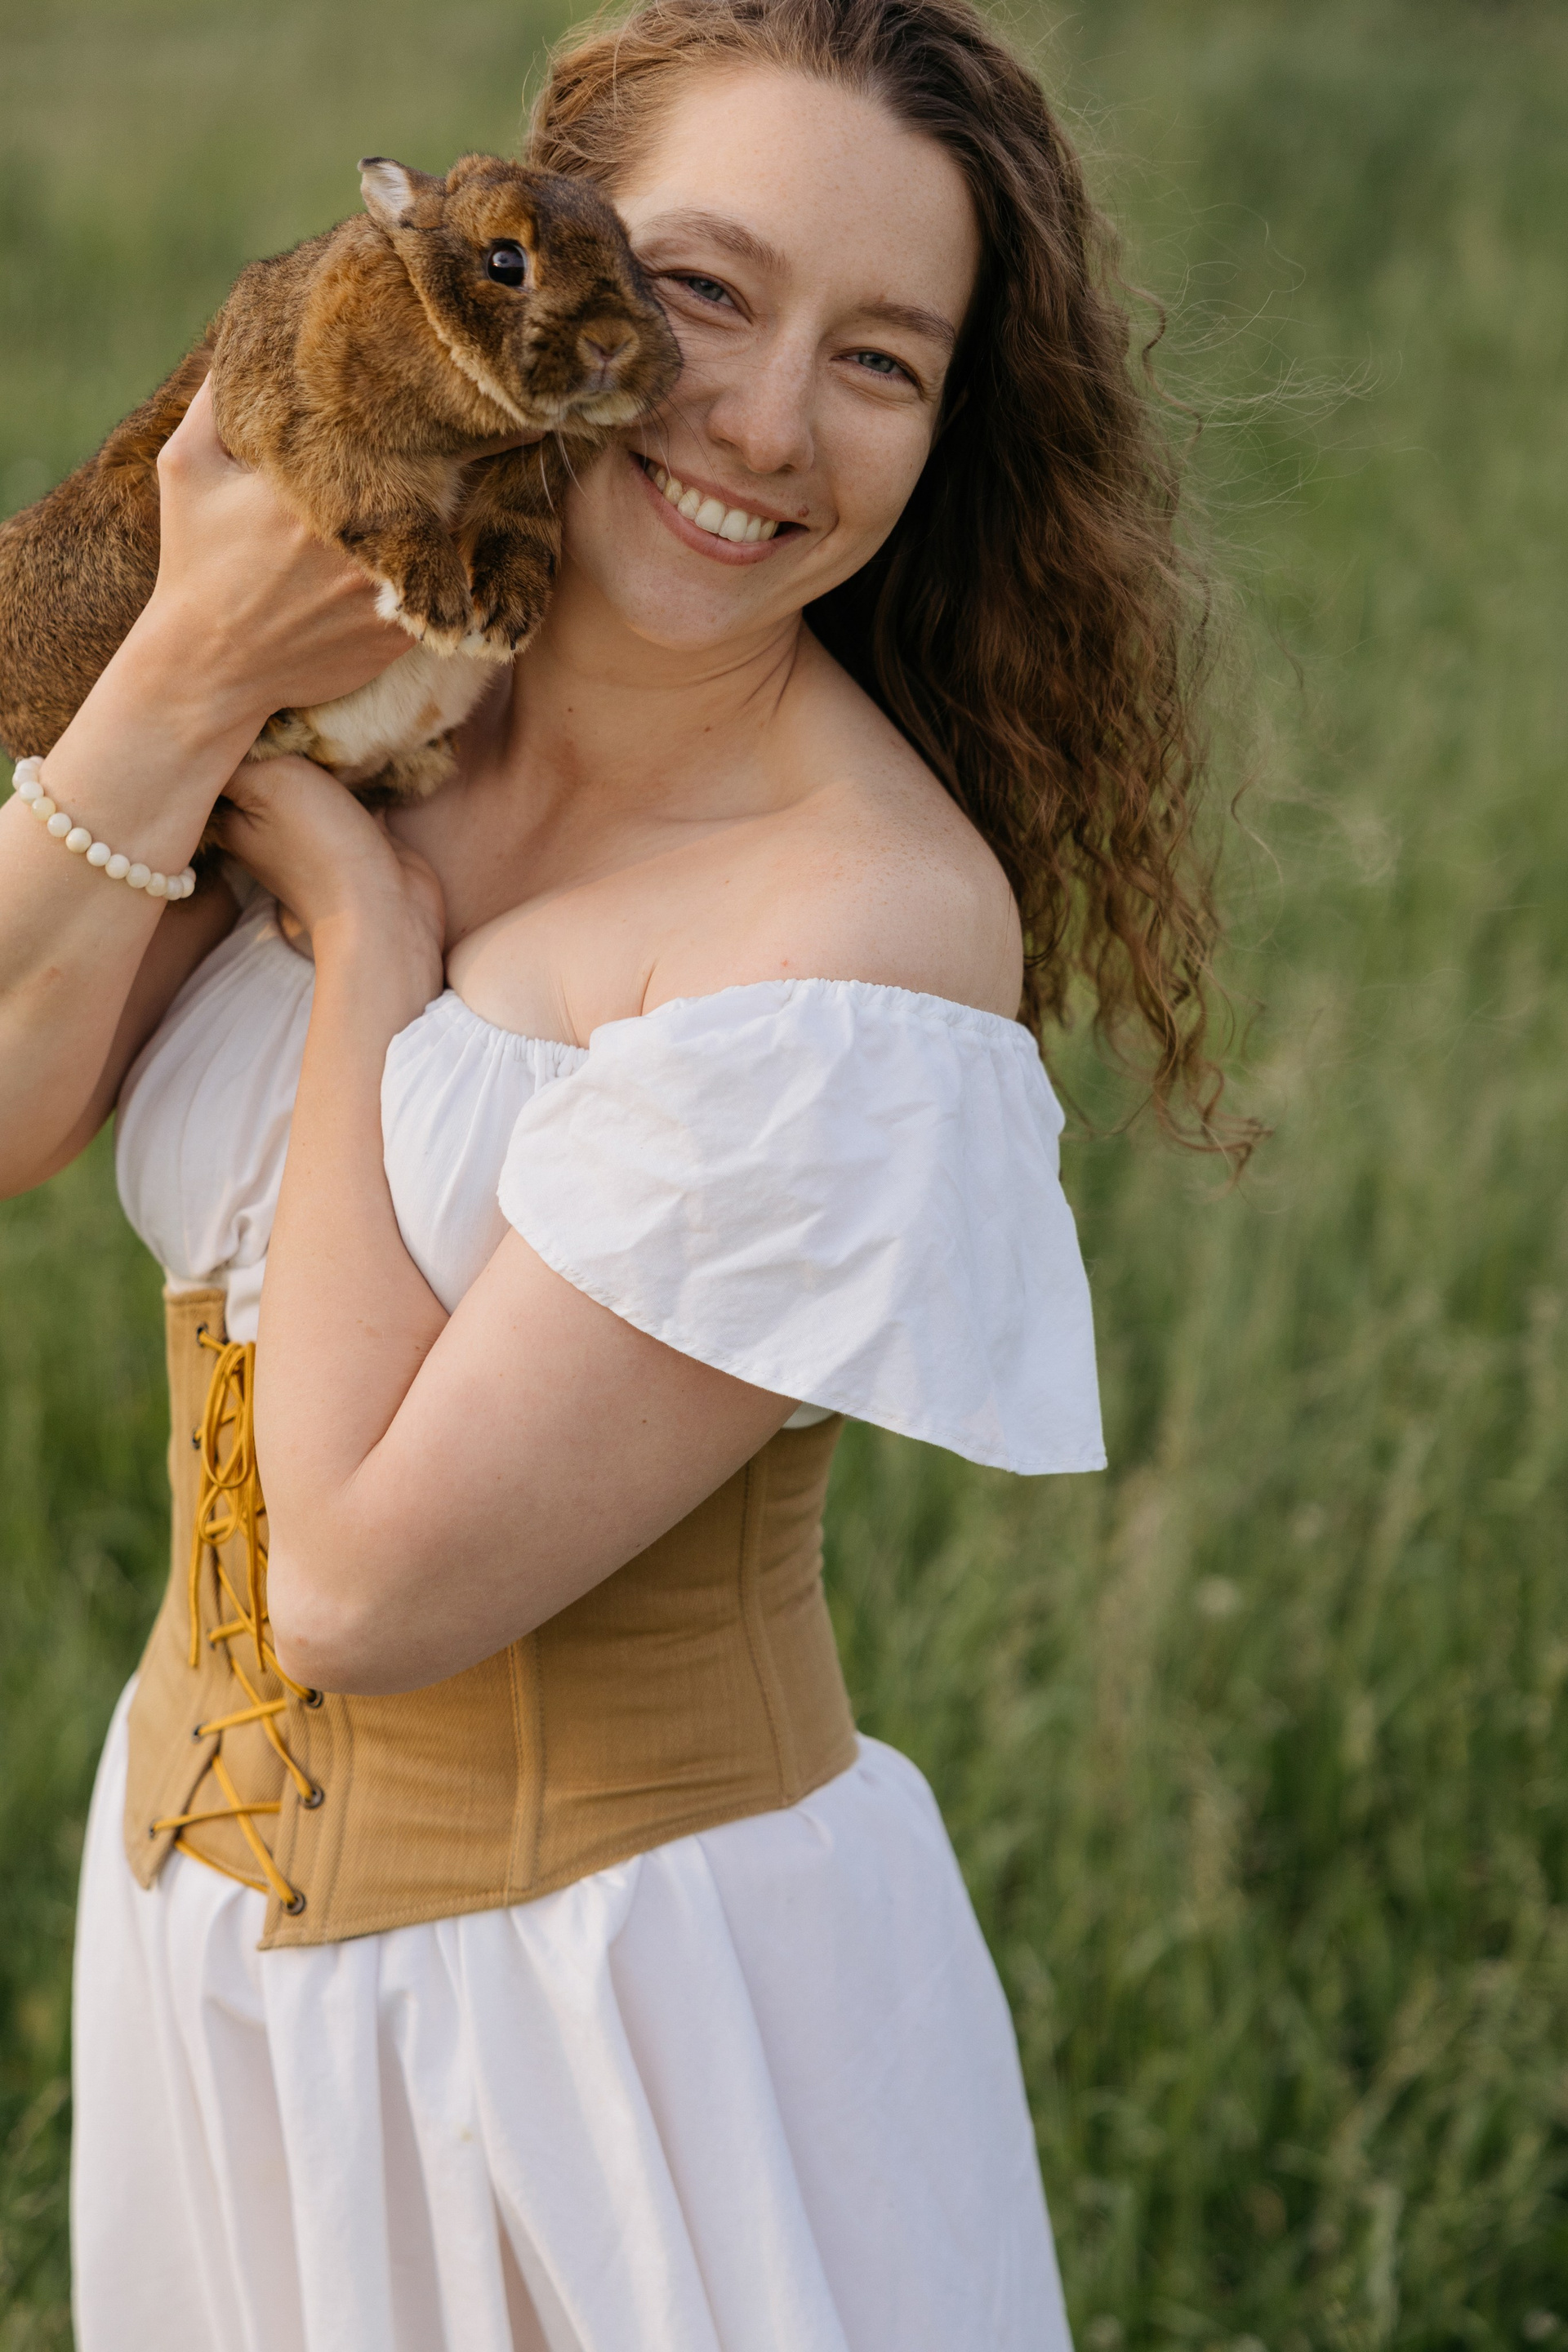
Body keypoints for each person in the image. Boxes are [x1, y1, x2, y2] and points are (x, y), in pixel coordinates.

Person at [0, 0, 1243, 2342]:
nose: (763, 422)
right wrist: (179, 669)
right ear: (529, 255)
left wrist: (367, 954)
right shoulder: (364, 674)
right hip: (206, 1967)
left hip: (618, 2036)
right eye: (702, 293)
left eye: (881, 361)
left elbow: (354, 1590)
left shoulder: (857, 933)